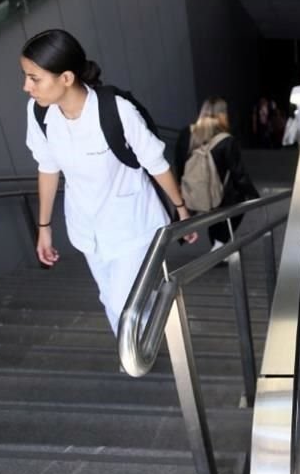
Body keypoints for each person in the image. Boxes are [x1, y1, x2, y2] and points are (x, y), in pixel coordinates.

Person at [22, 29, 198, 337]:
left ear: (66, 77)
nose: (26, 87)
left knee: (121, 302)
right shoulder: (39, 113)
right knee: (109, 297)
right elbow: (47, 167)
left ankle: (136, 353)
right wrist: (44, 228)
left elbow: (156, 163)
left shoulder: (116, 111)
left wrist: (181, 209)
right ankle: (132, 346)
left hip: (133, 224)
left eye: (34, 78)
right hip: (86, 227)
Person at [176, 96, 260, 249]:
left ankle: (185, 239)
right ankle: (219, 244)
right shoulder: (226, 140)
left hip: (191, 191)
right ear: (223, 114)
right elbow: (238, 173)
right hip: (219, 193)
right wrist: (253, 196)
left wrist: (180, 188)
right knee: (235, 205)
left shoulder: (186, 134)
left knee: (212, 211)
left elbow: (179, 163)